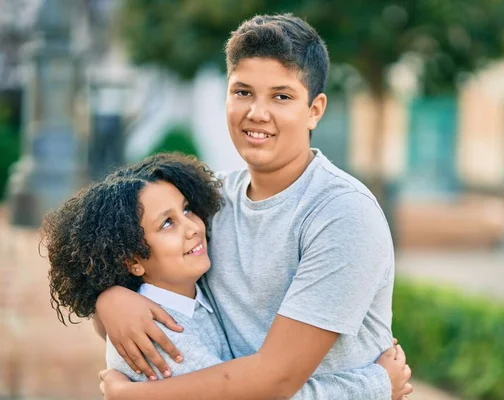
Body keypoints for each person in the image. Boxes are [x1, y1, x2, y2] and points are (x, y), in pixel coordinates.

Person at [95, 14, 413, 400]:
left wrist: (133, 397)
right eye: (243, 92)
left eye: (281, 96)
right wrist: (108, 301)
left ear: (315, 109)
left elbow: (275, 380)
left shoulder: (341, 214)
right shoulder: (209, 204)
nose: (257, 113)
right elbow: (151, 278)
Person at [41, 153, 404, 398]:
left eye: (186, 210)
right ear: (133, 259)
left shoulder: (189, 300)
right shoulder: (161, 335)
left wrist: (109, 297)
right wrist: (376, 383)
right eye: (167, 223)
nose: (193, 227)